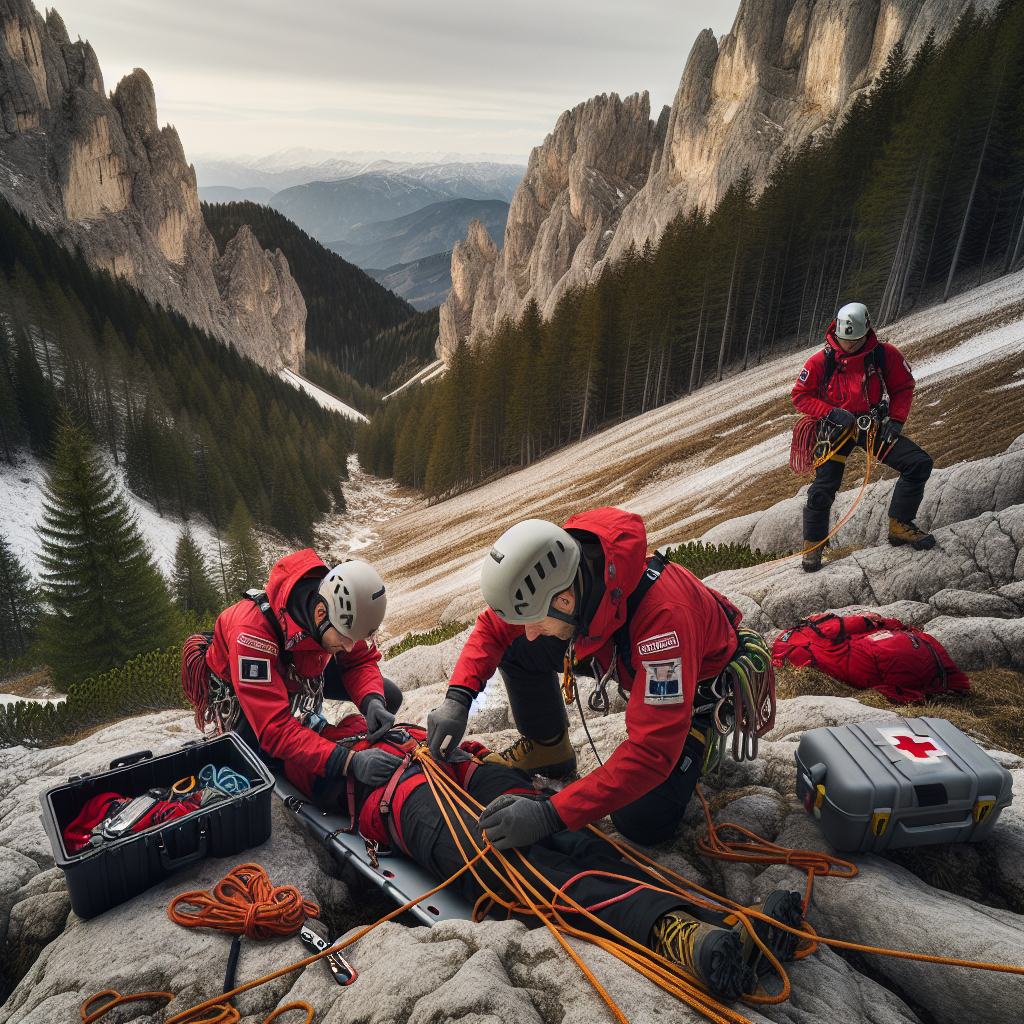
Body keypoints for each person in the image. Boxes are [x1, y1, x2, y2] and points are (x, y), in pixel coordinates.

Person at [297, 712, 803, 1002]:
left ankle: (728, 924)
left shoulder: (369, 715)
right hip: (404, 800)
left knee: (573, 837)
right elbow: (299, 766)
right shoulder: (313, 748)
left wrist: (460, 751)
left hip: (463, 771)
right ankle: (679, 937)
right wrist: (344, 758)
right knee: (519, 872)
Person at [425, 508, 752, 849]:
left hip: (695, 682)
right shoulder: (563, 571)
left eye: (536, 621)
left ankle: (698, 732)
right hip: (606, 634)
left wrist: (551, 815)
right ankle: (547, 747)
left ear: (564, 601)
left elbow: (651, 752)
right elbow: (494, 628)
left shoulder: (664, 627)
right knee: (516, 648)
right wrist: (458, 698)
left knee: (640, 818)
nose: (531, 633)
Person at [182, 550, 404, 797]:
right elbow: (274, 729)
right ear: (320, 615)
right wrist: (347, 762)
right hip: (248, 680)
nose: (351, 647)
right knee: (254, 759)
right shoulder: (251, 634)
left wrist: (372, 700)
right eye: (345, 638)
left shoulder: (339, 611)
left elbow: (359, 661)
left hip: (300, 660)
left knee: (389, 696)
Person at [793, 301, 935, 572]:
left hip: (869, 425)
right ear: (835, 332)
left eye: (854, 342)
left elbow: (903, 385)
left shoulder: (884, 354)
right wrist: (831, 412)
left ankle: (900, 526)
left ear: (866, 331)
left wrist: (897, 419)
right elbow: (800, 395)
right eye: (844, 341)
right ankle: (812, 551)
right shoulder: (820, 361)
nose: (848, 347)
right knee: (822, 491)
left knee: (917, 463)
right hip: (833, 431)